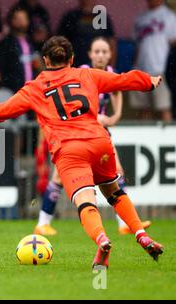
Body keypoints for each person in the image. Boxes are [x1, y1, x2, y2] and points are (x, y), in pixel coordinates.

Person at [0, 36, 164, 269]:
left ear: (44, 61)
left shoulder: (36, 87)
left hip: (70, 149)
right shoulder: (87, 74)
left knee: (85, 201)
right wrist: (148, 81)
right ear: (71, 59)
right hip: (100, 141)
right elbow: (122, 80)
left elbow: (0, 113)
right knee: (113, 191)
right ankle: (141, 234)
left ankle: (101, 239)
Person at [33, 37, 152, 236]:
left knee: (117, 172)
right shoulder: (83, 72)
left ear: (110, 54)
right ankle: (43, 222)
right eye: (97, 51)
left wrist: (113, 118)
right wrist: (94, 116)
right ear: (89, 54)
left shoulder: (111, 73)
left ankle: (124, 224)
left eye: (104, 52)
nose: (101, 55)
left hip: (98, 133)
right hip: (77, 131)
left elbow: (117, 91)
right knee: (58, 177)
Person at [129, 0, 176, 122]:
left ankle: (168, 141)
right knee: (144, 109)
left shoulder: (170, 16)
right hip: (141, 69)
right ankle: (144, 140)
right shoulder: (140, 17)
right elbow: (137, 44)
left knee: (164, 107)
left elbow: (173, 43)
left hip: (160, 68)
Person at [0, 6, 39, 93]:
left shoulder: (33, 42)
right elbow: (0, 70)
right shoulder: (4, 44)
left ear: (28, 21)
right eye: (17, 18)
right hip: (12, 92)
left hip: (33, 93)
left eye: (23, 18)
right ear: (11, 21)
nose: (20, 22)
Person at [57, 0, 116, 67]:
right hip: (75, 66)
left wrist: (111, 66)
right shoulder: (70, 16)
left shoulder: (102, 17)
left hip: (98, 68)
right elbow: (60, 43)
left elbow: (112, 44)